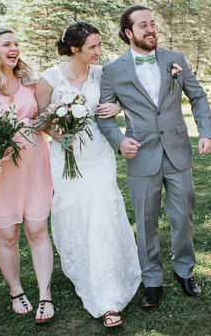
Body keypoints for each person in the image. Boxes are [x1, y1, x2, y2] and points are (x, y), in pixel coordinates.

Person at [97, 6, 211, 308]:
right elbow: (104, 116)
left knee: (183, 217)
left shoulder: (175, 59)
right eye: (143, 25)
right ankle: (151, 279)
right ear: (129, 33)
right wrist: (119, 141)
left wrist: (206, 131)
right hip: (141, 156)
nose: (151, 29)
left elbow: (198, 96)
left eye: (153, 23)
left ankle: (184, 271)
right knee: (146, 221)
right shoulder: (112, 71)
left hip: (178, 151)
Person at [35, 21, 140, 328]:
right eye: (92, 46)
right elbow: (40, 117)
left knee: (103, 211)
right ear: (74, 49)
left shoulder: (103, 73)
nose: (99, 51)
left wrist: (117, 110)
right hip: (66, 155)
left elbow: (123, 100)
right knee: (74, 212)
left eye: (99, 45)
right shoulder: (50, 78)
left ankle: (107, 294)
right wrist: (60, 136)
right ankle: (81, 268)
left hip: (98, 153)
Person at [0, 28, 54, 322]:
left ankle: (46, 294)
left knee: (37, 229)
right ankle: (16, 290)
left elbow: (45, 118)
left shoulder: (31, 83)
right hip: (0, 169)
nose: (14, 48)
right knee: (7, 236)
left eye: (16, 44)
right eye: (7, 44)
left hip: (34, 166)